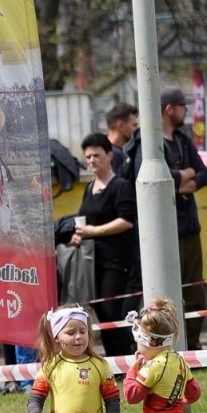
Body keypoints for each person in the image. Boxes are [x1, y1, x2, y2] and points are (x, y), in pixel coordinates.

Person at [130, 86, 207, 348]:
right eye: (182, 107)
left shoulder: (183, 140)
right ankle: (162, 346)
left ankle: (193, 346)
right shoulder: (146, 144)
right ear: (169, 109)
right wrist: (183, 175)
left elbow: (203, 173)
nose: (186, 111)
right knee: (162, 297)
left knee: (195, 295)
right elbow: (155, 179)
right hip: (162, 233)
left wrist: (179, 182)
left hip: (189, 229)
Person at [71, 132, 140, 357]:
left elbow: (126, 221)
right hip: (93, 262)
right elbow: (84, 219)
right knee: (100, 311)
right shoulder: (89, 188)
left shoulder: (120, 186)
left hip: (117, 262)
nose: (92, 160)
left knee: (112, 312)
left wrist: (95, 231)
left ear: (109, 156)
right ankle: (113, 361)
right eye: (88, 156)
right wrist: (79, 235)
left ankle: (122, 360)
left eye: (97, 155)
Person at [27, 305, 119, 413]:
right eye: (70, 333)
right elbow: (35, 400)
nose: (78, 337)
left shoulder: (100, 365)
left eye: (83, 331)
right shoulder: (50, 367)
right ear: (56, 336)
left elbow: (113, 403)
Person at [123, 297, 200, 413]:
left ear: (148, 343)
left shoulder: (152, 367)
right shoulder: (180, 360)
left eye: (138, 343)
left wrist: (132, 370)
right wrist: (178, 401)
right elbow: (194, 393)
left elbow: (131, 396)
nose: (138, 348)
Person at [104, 101, 138, 181]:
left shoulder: (105, 150)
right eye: (134, 125)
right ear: (121, 126)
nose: (136, 129)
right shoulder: (114, 155)